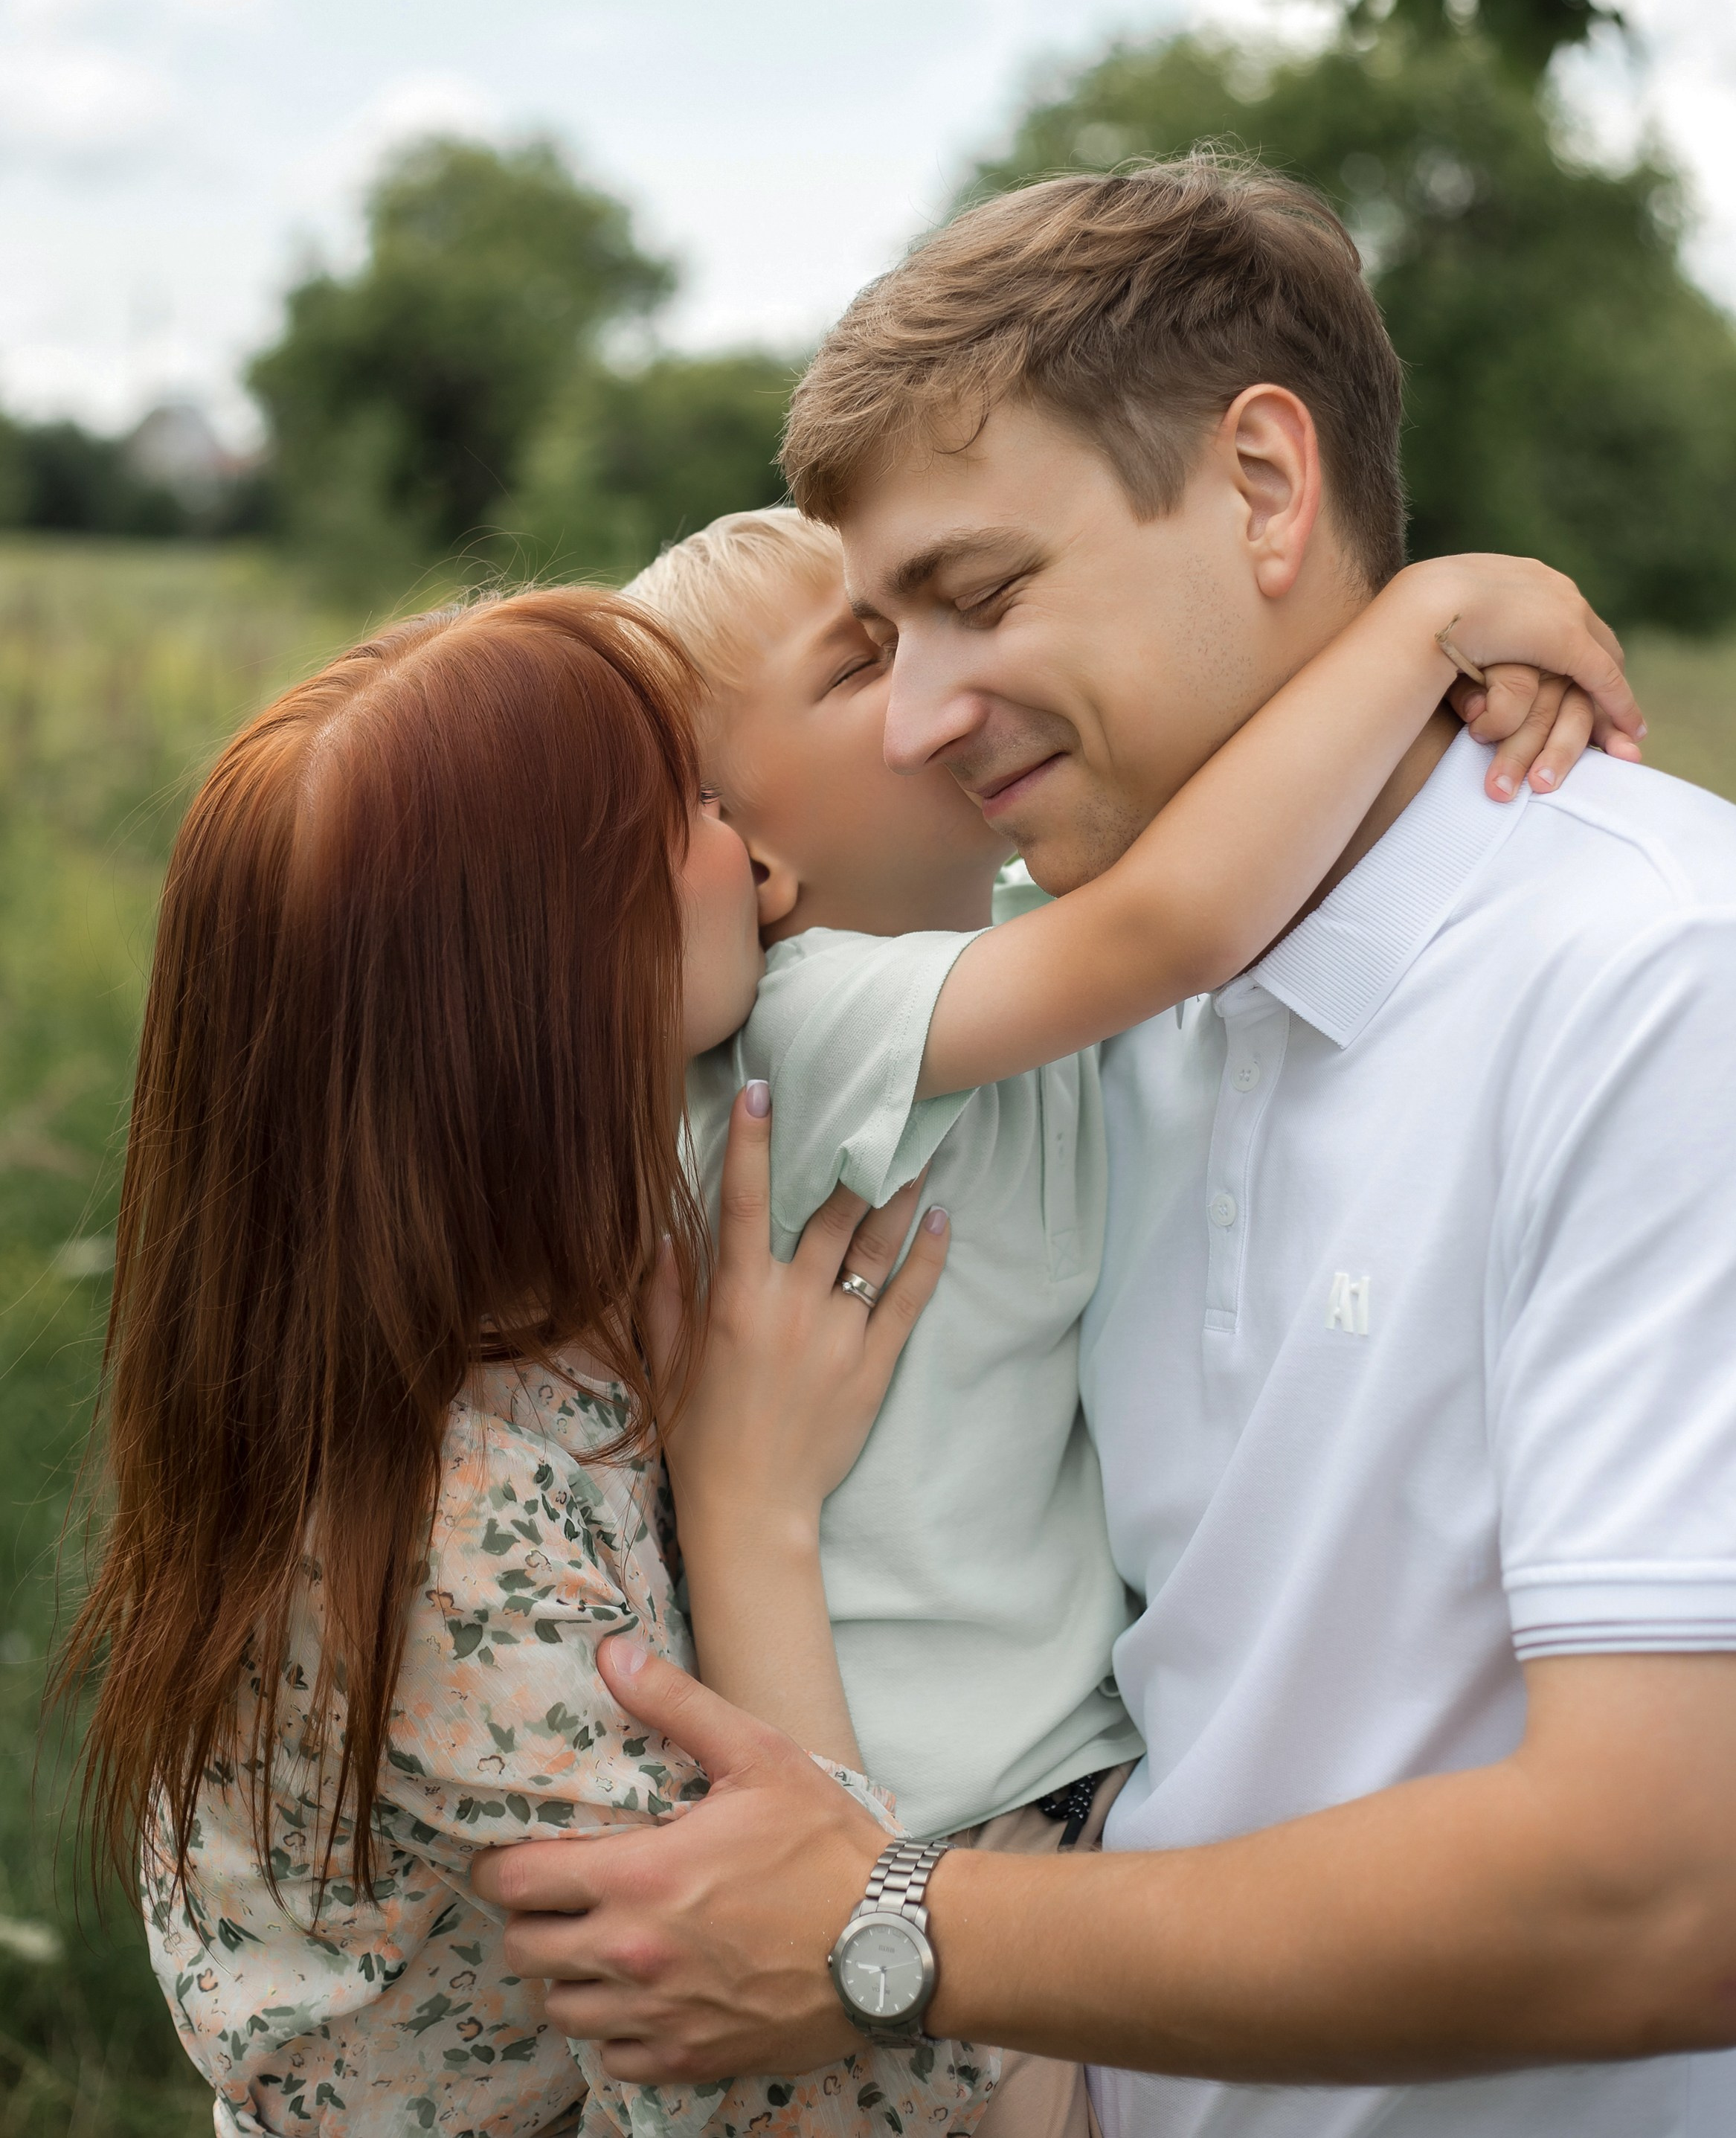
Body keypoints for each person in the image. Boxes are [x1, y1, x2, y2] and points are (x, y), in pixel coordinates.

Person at [474, 159, 1736, 2138]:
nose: (911, 718)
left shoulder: (1654, 979)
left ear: (1258, 482)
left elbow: (1665, 1889)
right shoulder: (1073, 1007)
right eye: (873, 638)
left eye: (973, 597)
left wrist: (881, 1918)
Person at [623, 508, 1632, 2138]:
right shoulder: (811, 1022)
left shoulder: (1003, 964)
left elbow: (1226, 859)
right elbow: (1186, 914)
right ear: (753, 854)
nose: (940, 701)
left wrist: (1435, 740)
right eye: (868, 663)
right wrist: (1428, 623)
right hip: (909, 1809)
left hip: (1044, 1802)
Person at [60, 587, 985, 2138]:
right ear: (556, 982)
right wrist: (751, 1505)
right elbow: (803, 2095)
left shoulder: (425, 1331)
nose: (748, 848)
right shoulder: (453, 1531)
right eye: (689, 802)